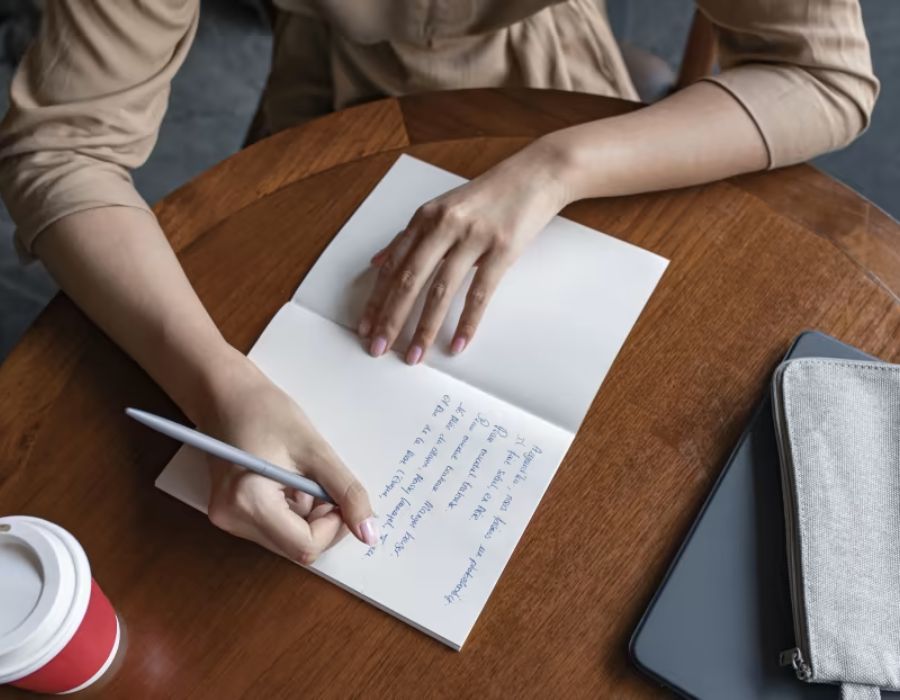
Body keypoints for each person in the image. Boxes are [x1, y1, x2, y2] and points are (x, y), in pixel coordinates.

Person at [0, 1, 878, 564]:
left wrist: (555, 168)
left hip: (564, 104)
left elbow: (826, 75)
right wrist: (222, 383)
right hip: (323, 115)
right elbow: (62, 148)